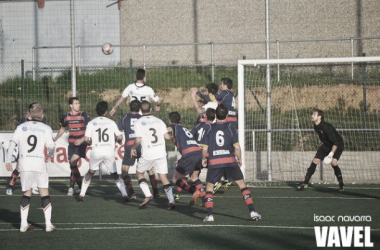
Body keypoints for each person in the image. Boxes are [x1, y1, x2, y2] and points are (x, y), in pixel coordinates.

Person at [199, 104, 261, 222]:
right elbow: (237, 147)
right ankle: (252, 212)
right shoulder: (230, 127)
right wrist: (239, 158)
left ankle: (210, 215)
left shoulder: (209, 128)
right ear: (227, 115)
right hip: (229, 160)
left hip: (215, 161)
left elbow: (205, 148)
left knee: (209, 187)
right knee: (242, 185)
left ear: (215, 115)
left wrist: (203, 159)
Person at [5, 103, 56, 232]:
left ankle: (23, 225)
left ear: (29, 115)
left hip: (25, 163)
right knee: (44, 192)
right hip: (39, 163)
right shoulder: (46, 128)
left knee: (26, 193)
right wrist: (49, 155)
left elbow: (12, 143)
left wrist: (8, 160)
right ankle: (48, 224)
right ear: (42, 115)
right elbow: (51, 147)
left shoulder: (21, 127)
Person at [79, 101, 128, 201]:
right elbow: (119, 137)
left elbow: (86, 139)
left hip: (96, 151)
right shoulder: (111, 122)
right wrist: (118, 140)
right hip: (109, 152)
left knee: (91, 172)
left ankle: (81, 194)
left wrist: (90, 143)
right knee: (115, 175)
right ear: (106, 111)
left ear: (97, 111)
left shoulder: (91, 123)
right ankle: (125, 194)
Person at [131, 101, 174, 209]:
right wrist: (172, 131)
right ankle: (171, 200)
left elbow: (137, 140)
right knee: (163, 177)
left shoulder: (138, 122)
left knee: (139, 173)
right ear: (150, 109)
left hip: (148, 153)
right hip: (160, 152)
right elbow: (167, 137)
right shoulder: (159, 121)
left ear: (140, 111)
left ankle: (148, 195)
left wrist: (133, 148)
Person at [117, 100, 161, 200]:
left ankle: (132, 193)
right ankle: (156, 192)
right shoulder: (142, 118)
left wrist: (118, 140)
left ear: (130, 107)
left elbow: (119, 132)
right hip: (143, 145)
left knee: (124, 171)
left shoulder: (125, 118)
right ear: (140, 109)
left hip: (130, 146)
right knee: (149, 169)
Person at [297, 109, 345, 191]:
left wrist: (330, 155)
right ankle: (305, 183)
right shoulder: (316, 126)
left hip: (337, 145)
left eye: (314, 114)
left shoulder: (326, 127)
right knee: (315, 161)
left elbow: (335, 142)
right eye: (312, 114)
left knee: (333, 162)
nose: (312, 116)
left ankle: (341, 184)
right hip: (327, 145)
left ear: (319, 116)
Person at [54, 97, 91, 196]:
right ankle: (78, 187)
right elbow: (62, 128)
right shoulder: (66, 116)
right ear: (71, 105)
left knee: (72, 162)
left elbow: (90, 129)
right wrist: (55, 138)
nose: (78, 105)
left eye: (78, 103)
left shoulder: (84, 115)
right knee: (73, 166)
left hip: (81, 144)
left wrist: (82, 139)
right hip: (71, 144)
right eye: (76, 103)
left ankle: (71, 187)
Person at [167, 111, 204, 208]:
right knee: (194, 177)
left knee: (175, 179)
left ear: (170, 120)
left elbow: (166, 135)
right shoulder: (183, 128)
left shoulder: (172, 126)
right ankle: (205, 199)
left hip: (189, 154)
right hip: (198, 152)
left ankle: (194, 191)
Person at [6, 112, 39, 196]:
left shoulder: (38, 123)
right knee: (18, 168)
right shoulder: (24, 121)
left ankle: (34, 186)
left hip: (33, 150)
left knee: (34, 168)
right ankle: (10, 186)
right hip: (24, 149)